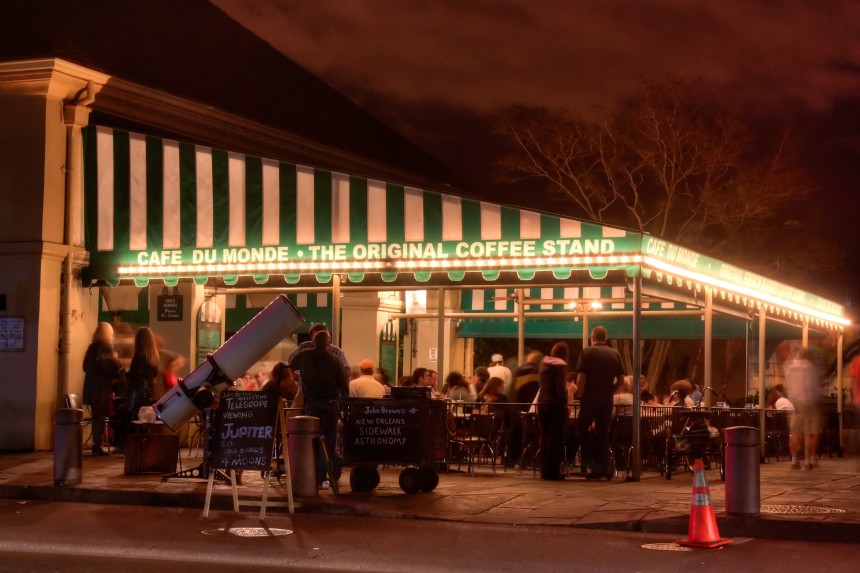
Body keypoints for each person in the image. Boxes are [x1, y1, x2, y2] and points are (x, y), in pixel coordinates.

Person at [289, 328, 348, 488]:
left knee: (311, 439)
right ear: (328, 343)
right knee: (328, 442)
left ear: (313, 342)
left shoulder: (303, 355)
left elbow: (291, 364)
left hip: (311, 404)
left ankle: (312, 476)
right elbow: (343, 385)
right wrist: (344, 405)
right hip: (330, 404)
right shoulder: (334, 360)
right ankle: (323, 475)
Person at [576, 326, 624, 480]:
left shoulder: (587, 352)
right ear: (605, 338)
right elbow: (621, 381)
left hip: (590, 397)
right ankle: (601, 467)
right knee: (603, 433)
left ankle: (593, 457)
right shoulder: (615, 354)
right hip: (606, 400)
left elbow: (581, 377)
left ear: (592, 337)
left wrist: (580, 393)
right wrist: (610, 391)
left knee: (581, 428)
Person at [82, 322, 122, 456]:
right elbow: (110, 369)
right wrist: (116, 360)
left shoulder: (91, 347)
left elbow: (84, 366)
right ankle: (97, 446)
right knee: (102, 416)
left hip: (91, 387)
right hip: (102, 387)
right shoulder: (107, 347)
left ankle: (96, 445)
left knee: (96, 416)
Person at [783, 347, 824, 470]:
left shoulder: (789, 366)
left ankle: (794, 459)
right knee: (812, 432)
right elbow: (813, 386)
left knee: (794, 432)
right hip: (810, 401)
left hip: (795, 403)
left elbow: (786, 386)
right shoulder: (810, 367)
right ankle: (809, 460)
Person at [537, 342, 569, 480]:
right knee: (556, 438)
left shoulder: (543, 364)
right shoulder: (560, 366)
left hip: (542, 403)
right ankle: (553, 471)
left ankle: (544, 469)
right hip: (555, 405)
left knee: (544, 437)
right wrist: (564, 403)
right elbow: (560, 389)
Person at [125, 326, 159, 422]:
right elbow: (155, 374)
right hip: (148, 392)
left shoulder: (139, 355)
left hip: (137, 392)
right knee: (144, 419)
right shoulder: (153, 356)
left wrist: (126, 373)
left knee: (132, 418)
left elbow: (135, 375)